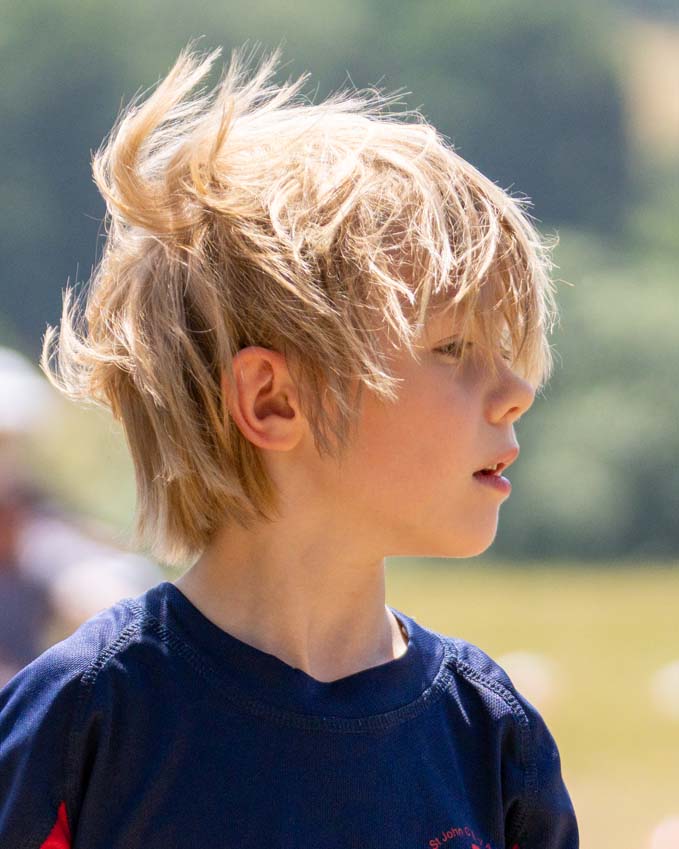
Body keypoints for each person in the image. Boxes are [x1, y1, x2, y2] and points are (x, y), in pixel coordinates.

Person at [0, 42, 579, 848]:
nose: (515, 387)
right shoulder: (88, 723)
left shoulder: (490, 737)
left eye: (508, 350)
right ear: (271, 399)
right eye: (452, 349)